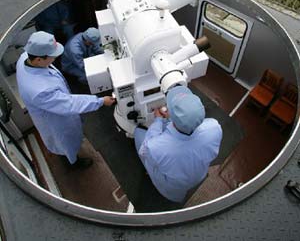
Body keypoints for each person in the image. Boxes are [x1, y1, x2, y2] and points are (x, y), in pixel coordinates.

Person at [16, 31, 115, 169]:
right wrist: (100, 101)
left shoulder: (24, 58)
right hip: (57, 121)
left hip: (55, 108)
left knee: (66, 142)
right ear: (39, 59)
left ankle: (69, 158)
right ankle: (74, 164)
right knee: (66, 143)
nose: (55, 59)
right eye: (52, 56)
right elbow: (69, 103)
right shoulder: (40, 91)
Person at [134, 85, 223, 203]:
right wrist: (171, 119)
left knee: (137, 133)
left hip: (172, 190)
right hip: (197, 176)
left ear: (169, 113)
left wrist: (158, 120)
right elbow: (190, 124)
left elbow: (145, 151)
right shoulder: (214, 127)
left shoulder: (155, 147)